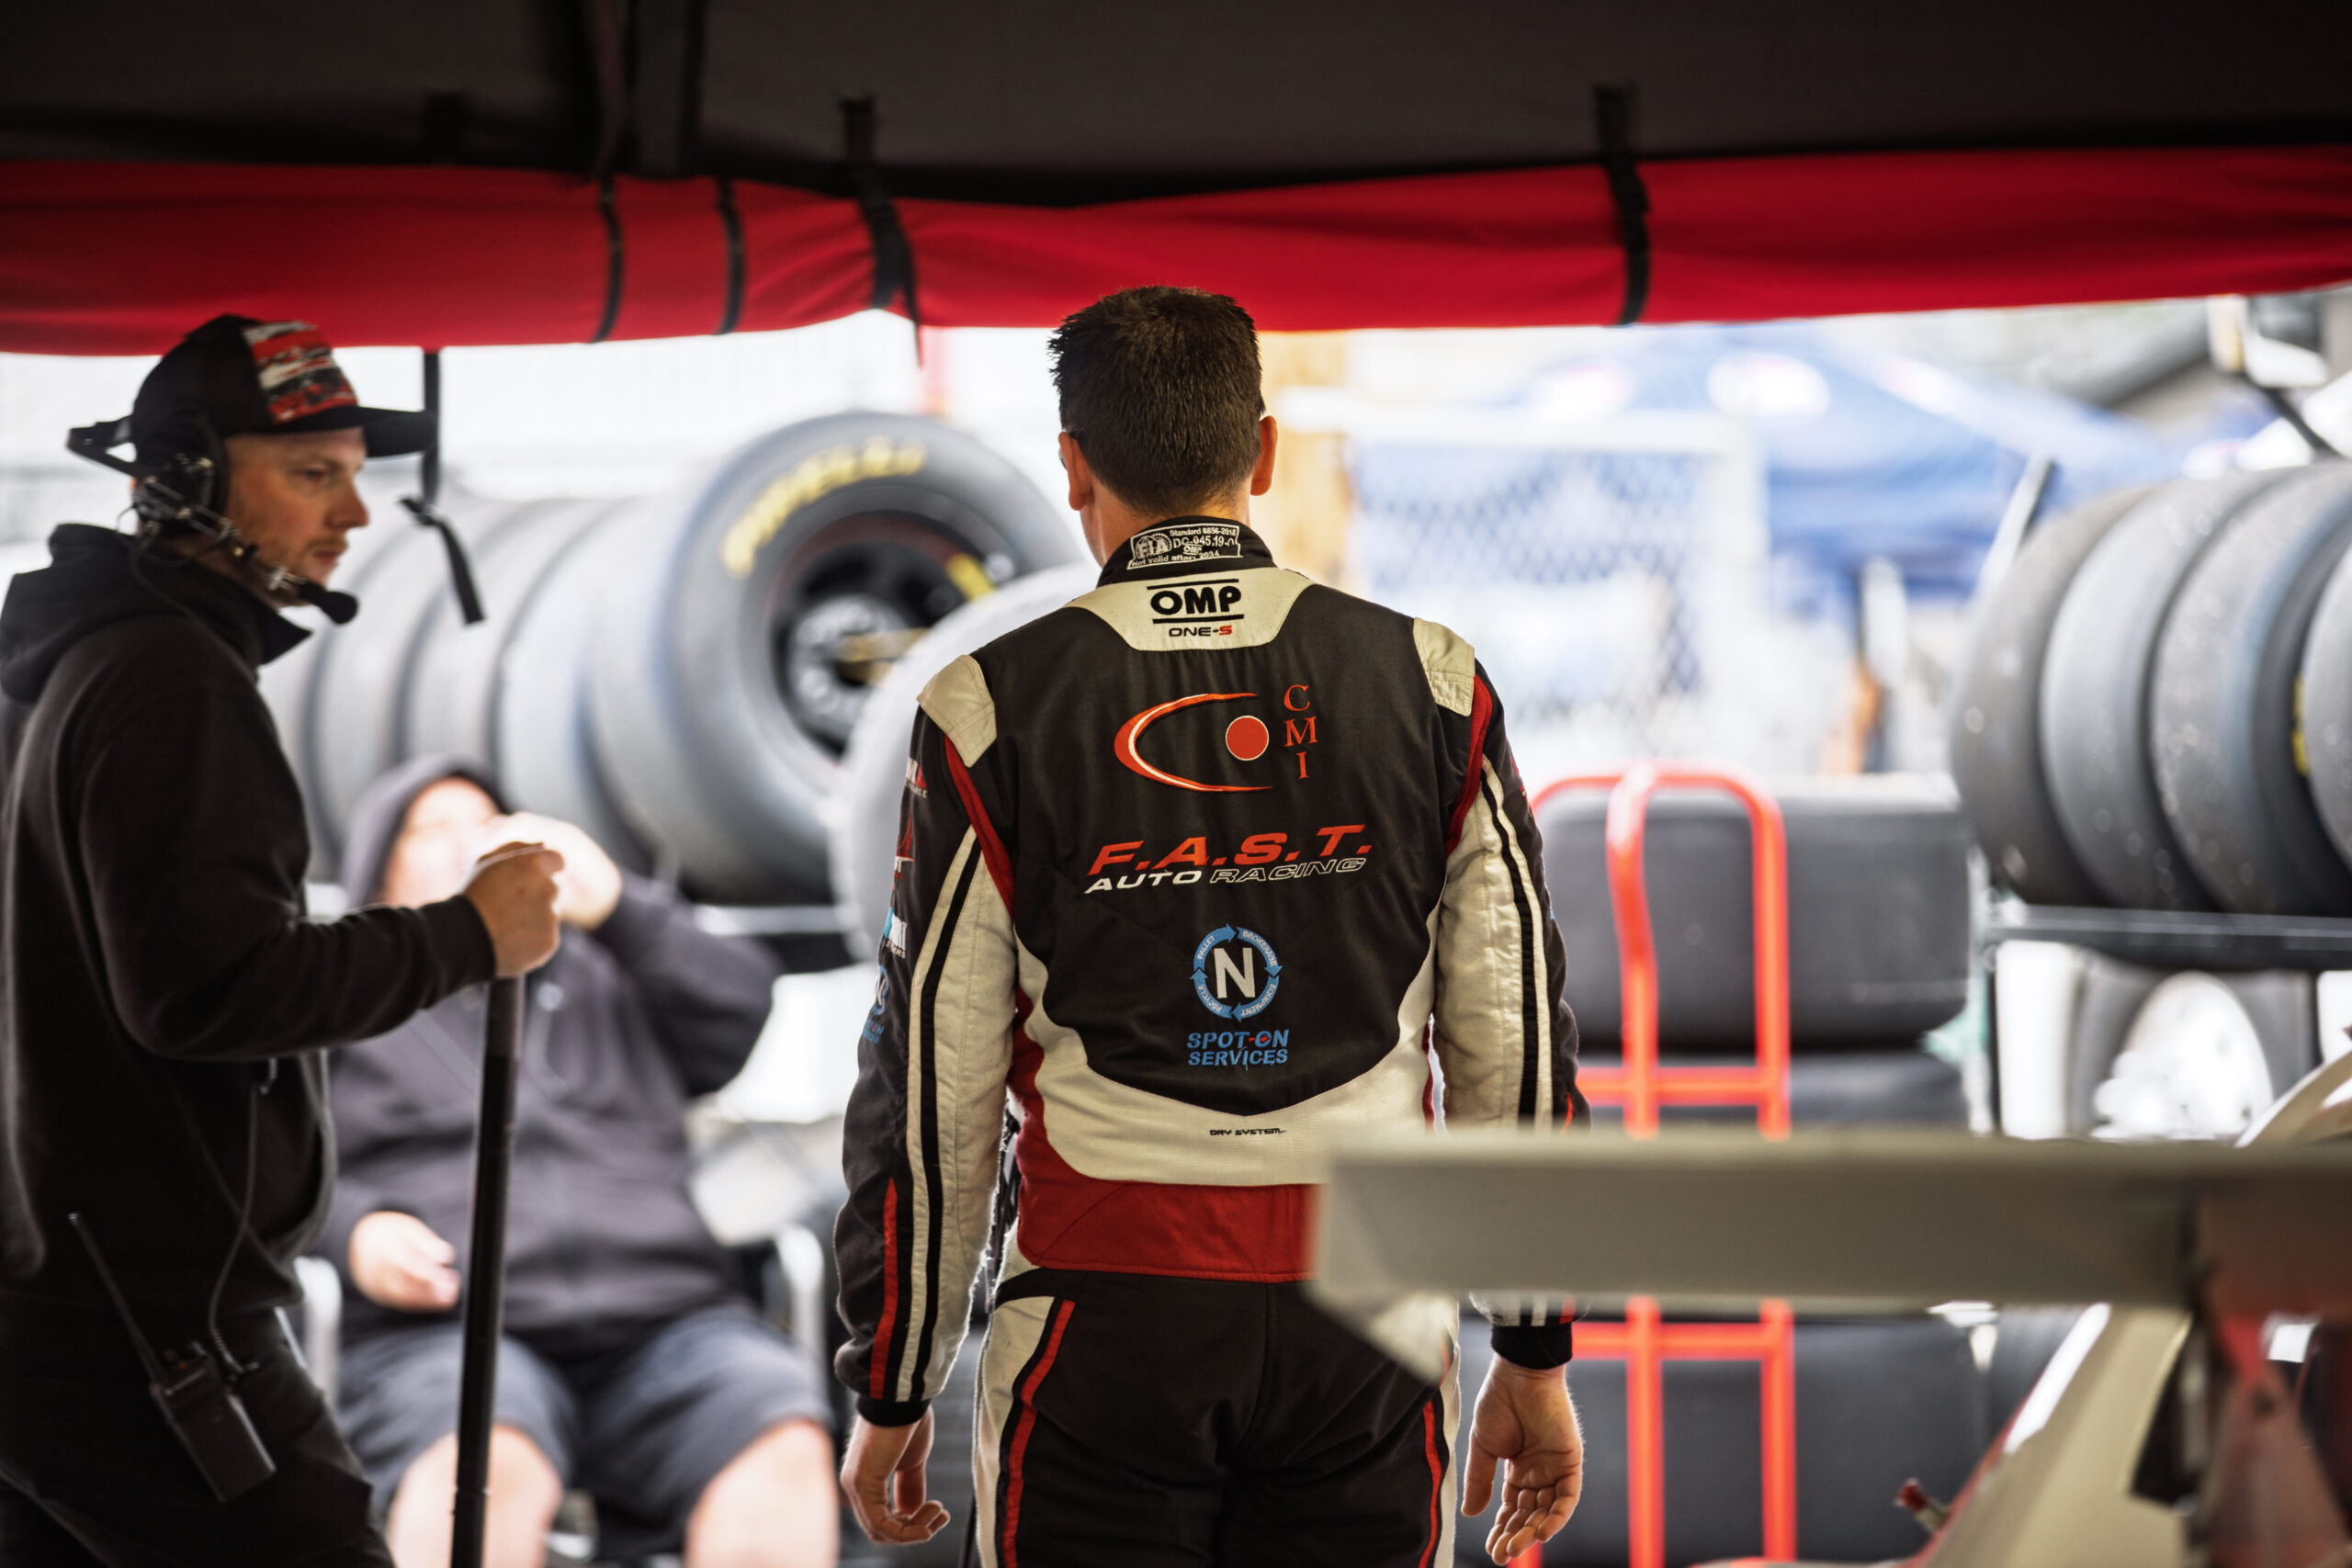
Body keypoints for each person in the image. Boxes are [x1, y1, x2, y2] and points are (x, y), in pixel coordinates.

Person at [833, 287, 1588, 1568]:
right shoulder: (1432, 680)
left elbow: (934, 1078)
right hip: (1370, 1319)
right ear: (1266, 452)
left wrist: (896, 1376)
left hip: (1104, 1318)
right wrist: (1532, 1341)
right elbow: (1509, 1036)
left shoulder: (988, 705)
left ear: (1073, 467)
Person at [0, 315, 563, 1566]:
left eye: (355, 475)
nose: (353, 515)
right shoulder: (170, 677)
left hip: (63, 1307)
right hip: (152, 1328)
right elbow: (207, 988)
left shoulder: (67, 664)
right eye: (313, 474)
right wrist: (469, 934)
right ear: (187, 478)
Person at [323, 758, 837, 1568]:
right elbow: (262, 1173)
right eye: (433, 830)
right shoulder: (342, 1000)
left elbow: (742, 999)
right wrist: (356, 1234)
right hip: (447, 1331)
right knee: (484, 1466)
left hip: (665, 1320)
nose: (467, 845)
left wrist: (620, 907)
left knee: (776, 1434)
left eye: (485, 825)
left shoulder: (609, 972)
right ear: (378, 868)